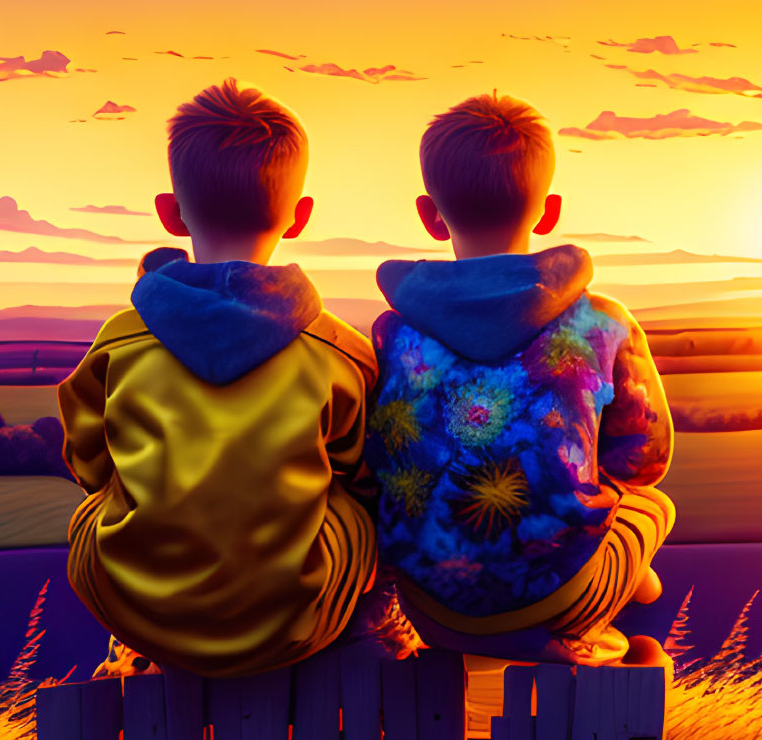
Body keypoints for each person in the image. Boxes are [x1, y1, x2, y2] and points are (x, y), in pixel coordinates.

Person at [59, 79, 379, 678]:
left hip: (142, 611)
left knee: (89, 513)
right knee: (361, 507)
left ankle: (130, 648)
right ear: (300, 215)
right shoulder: (340, 354)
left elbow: (90, 463)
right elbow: (361, 472)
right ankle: (374, 631)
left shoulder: (118, 344)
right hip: (292, 624)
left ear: (170, 213)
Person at [366, 92, 675, 666]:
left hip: (430, 603)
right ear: (548, 212)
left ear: (430, 216)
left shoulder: (392, 334)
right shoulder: (603, 322)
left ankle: (567, 622)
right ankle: (600, 615)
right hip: (559, 594)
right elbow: (646, 459)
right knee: (654, 506)